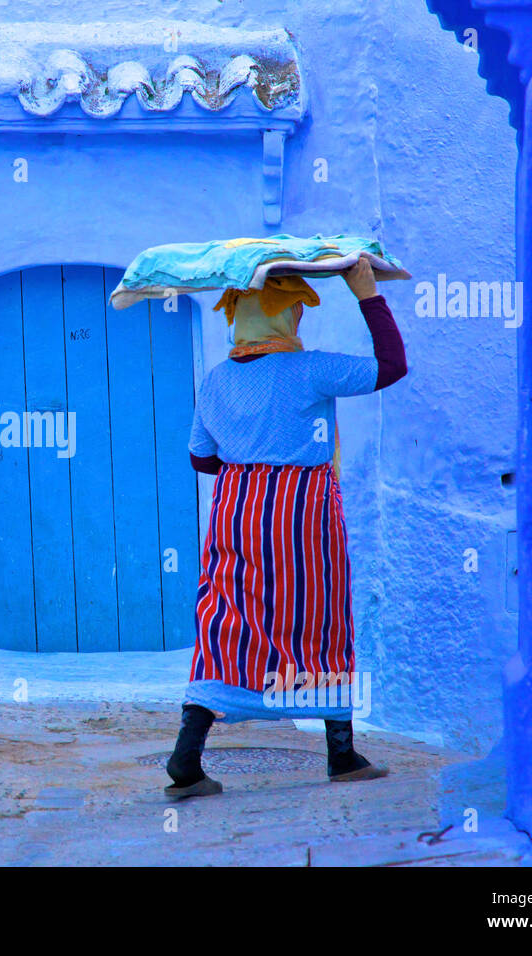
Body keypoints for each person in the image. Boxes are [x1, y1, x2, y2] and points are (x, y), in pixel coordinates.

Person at [165, 258, 408, 799]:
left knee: (226, 621)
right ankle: (341, 755)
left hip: (235, 510)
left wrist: (248, 445)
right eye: (297, 309)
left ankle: (187, 756)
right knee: (317, 616)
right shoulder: (313, 369)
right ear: (287, 316)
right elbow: (391, 366)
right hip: (302, 513)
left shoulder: (216, 379)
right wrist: (366, 293)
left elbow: (201, 459)